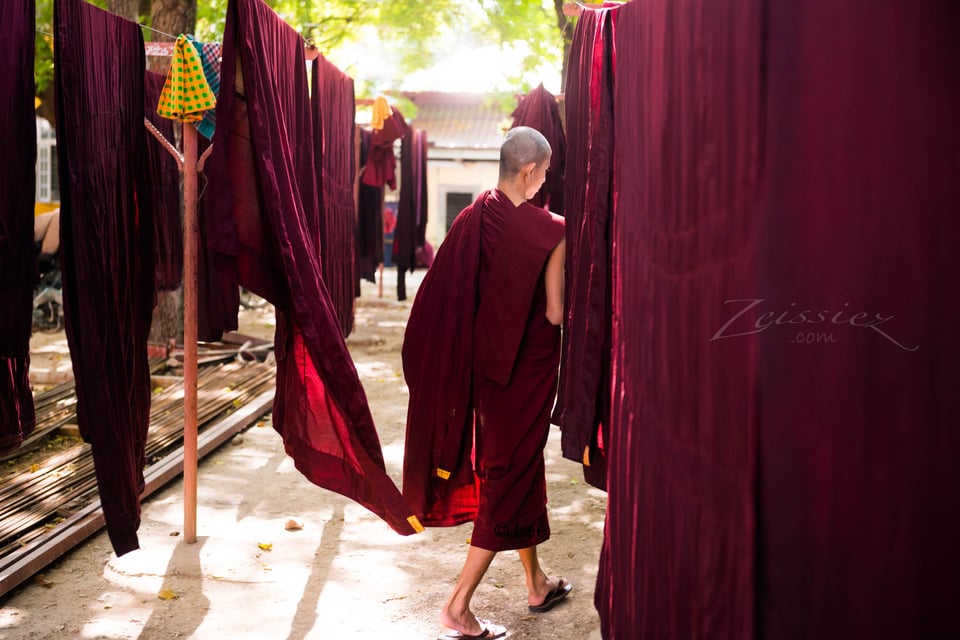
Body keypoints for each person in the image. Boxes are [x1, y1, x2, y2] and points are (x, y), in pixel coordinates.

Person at [402, 126, 571, 640]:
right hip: (525, 375)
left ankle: (536, 582)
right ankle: (457, 606)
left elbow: (450, 301)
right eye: (544, 171)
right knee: (507, 479)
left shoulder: (472, 218)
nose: (546, 180)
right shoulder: (553, 231)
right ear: (530, 172)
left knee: (516, 469)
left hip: (488, 377)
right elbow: (556, 312)